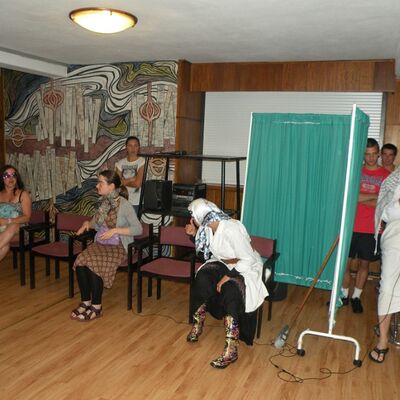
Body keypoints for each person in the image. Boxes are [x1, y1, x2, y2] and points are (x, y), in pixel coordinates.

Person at [185, 198, 269, 369]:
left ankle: (231, 349)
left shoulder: (232, 228)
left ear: (202, 216)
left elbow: (247, 259)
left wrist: (228, 276)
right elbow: (207, 252)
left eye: (193, 216)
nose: (192, 219)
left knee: (230, 289)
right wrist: (194, 235)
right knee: (203, 278)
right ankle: (197, 324)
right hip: (223, 263)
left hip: (245, 267)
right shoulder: (208, 227)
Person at [70, 170, 143, 321]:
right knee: (81, 260)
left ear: (112, 186)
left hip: (119, 246)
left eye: (100, 183)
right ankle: (86, 302)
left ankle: (96, 307)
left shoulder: (125, 205)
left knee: (95, 263)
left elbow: (138, 229)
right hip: (103, 243)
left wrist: (115, 230)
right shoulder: (104, 203)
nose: (97, 186)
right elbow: (96, 222)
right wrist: (86, 224)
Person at [341, 138, 390, 313]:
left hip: (371, 228)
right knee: (344, 264)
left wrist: (361, 197)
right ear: (363, 155)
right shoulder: (355, 172)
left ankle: (356, 297)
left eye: (374, 154)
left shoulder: (386, 176)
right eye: (367, 154)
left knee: (364, 265)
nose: (370, 158)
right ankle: (344, 296)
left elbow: (384, 203)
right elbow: (350, 197)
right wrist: (374, 197)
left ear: (378, 154)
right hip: (350, 226)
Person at [370, 167, 400, 362]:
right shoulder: (394, 179)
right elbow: (385, 212)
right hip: (395, 240)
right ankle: (383, 341)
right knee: (388, 288)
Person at [0, 165, 32, 262]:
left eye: (13, 175)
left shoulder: (23, 194)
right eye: (7, 175)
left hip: (20, 231)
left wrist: (8, 221)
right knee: (4, 247)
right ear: (2, 178)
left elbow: (27, 217)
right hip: (1, 229)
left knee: (14, 225)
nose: (11, 178)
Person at [115, 136, 145, 216]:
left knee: (133, 223)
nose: (133, 148)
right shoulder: (120, 163)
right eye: (130, 145)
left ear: (139, 147)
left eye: (135, 145)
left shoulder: (142, 161)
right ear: (126, 147)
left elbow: (138, 184)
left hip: (136, 202)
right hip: (122, 201)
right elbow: (117, 183)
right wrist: (132, 179)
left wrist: (125, 182)